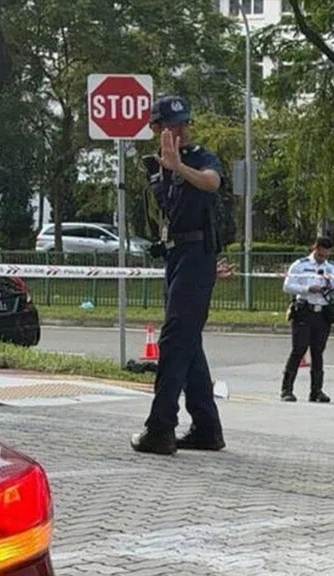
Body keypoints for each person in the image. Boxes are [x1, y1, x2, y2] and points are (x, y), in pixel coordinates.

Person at [130, 95, 226, 456]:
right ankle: (206, 427)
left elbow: (211, 183)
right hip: (177, 255)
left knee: (173, 341)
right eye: (171, 125)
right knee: (188, 341)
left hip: (198, 255)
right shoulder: (155, 166)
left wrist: (179, 167)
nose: (180, 131)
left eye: (184, 124)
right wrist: (166, 167)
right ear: (156, 129)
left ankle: (160, 428)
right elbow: (167, 209)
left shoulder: (200, 156)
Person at [280, 237, 334, 403]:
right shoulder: (300, 265)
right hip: (304, 311)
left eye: (326, 255)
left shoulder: (332, 268)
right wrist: (307, 288)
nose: (323, 258)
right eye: (320, 254)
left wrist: (331, 289)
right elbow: (287, 286)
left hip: (322, 313)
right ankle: (286, 390)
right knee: (299, 349)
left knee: (318, 352)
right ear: (315, 248)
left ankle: (316, 391)